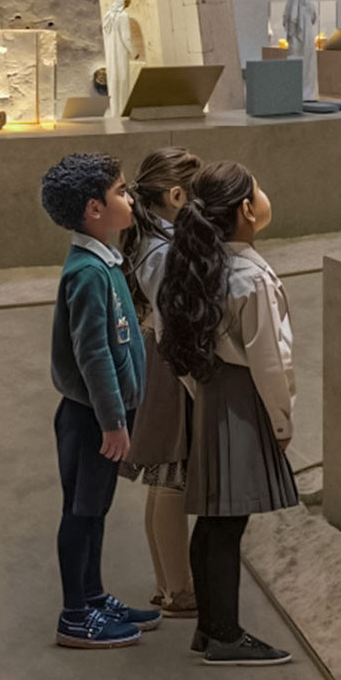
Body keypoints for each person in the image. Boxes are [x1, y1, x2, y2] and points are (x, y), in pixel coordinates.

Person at [157, 161, 300, 666]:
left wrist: (205, 395)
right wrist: (281, 422)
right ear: (245, 210)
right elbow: (270, 359)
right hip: (245, 401)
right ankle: (223, 635)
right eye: (258, 189)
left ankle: (210, 628)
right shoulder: (249, 277)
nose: (264, 196)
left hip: (214, 395)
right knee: (227, 522)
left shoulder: (200, 265)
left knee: (217, 520)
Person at [39, 152, 163, 649]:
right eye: (121, 191)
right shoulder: (88, 274)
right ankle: (74, 614)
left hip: (105, 416)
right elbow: (93, 356)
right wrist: (114, 421)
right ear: (94, 209)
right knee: (82, 511)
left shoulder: (105, 262)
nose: (129, 198)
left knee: (97, 509)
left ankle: (93, 595)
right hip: (90, 418)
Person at [118, 147, 203, 618]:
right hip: (172, 368)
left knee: (162, 482)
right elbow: (176, 319)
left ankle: (167, 585)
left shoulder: (145, 239)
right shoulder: (164, 250)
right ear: (175, 195)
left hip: (156, 358)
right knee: (172, 479)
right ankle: (180, 589)